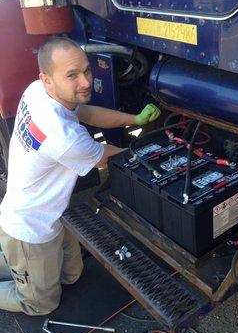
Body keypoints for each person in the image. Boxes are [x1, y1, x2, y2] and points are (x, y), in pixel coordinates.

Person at [0, 37, 161, 315]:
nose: (86, 82)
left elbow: (84, 112)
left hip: (54, 216)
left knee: (72, 275)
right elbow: (109, 157)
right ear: (48, 78)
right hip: (29, 229)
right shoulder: (65, 138)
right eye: (72, 75)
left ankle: (18, 265)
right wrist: (154, 150)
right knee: (41, 303)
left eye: (86, 70)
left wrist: (134, 120)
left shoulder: (37, 91)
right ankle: (18, 267)